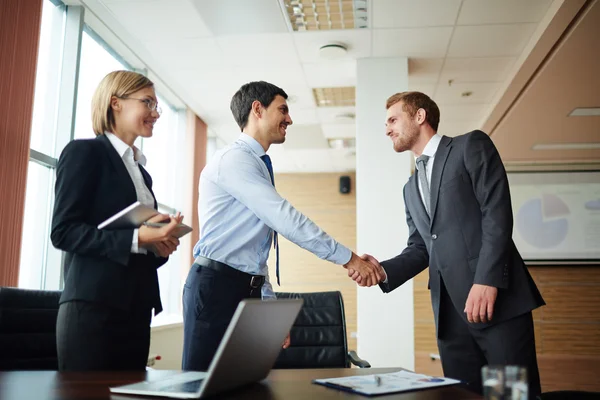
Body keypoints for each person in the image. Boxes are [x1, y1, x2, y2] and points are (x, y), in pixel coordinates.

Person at [349, 91, 545, 398]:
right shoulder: (410, 188)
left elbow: (496, 215)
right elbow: (422, 248)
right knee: (463, 396)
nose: (387, 129)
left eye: (392, 119)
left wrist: (486, 280)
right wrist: (382, 271)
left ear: (419, 116)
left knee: (511, 395)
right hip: (451, 317)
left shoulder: (469, 146)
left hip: (497, 303)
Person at [182, 81, 382, 371]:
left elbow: (253, 254)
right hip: (216, 289)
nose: (289, 119)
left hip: (244, 290)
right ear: (257, 109)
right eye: (283, 109)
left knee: (245, 384)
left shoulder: (257, 164)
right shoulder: (235, 160)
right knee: (203, 385)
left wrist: (268, 308)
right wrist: (350, 259)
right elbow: (286, 218)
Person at [51, 70, 183, 371]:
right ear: (116, 103)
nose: (156, 113)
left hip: (136, 309)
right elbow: (63, 232)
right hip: (93, 310)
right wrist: (139, 238)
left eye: (156, 106)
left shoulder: (140, 171)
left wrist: (157, 246)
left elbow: (130, 245)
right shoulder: (84, 153)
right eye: (148, 103)